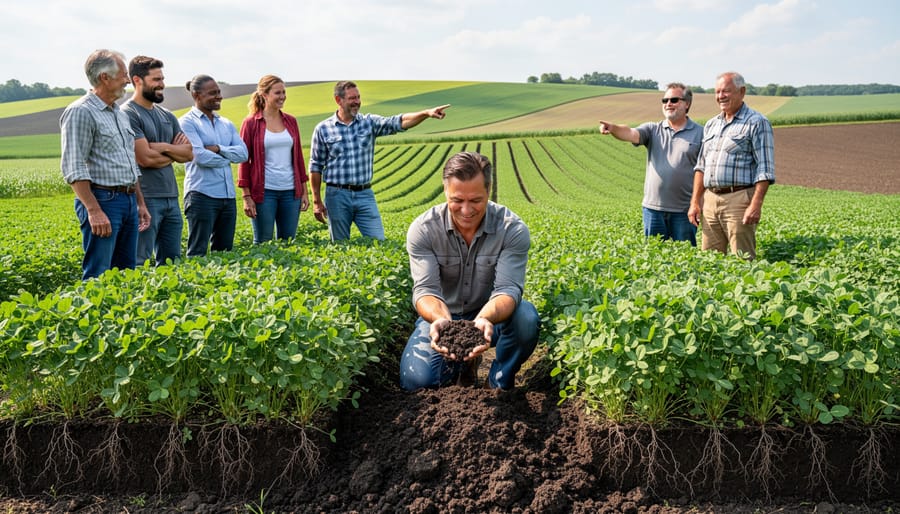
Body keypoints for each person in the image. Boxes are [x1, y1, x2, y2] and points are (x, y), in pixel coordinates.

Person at [400, 151, 540, 391]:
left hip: (493, 317)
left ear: (489, 191)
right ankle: (463, 364)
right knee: (417, 382)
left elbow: (507, 289)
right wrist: (442, 320)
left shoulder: (512, 229)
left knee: (526, 319)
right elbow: (425, 291)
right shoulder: (423, 230)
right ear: (445, 191)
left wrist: (483, 319)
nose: (466, 210)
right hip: (444, 316)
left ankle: (497, 381)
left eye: (476, 200)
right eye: (457, 200)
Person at [308, 81, 450, 241]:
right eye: (351, 98)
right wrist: (317, 201)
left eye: (358, 97)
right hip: (337, 195)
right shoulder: (323, 129)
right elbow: (315, 166)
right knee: (340, 244)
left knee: (378, 241)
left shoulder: (369, 122)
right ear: (338, 100)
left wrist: (426, 113)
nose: (357, 102)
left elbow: (399, 122)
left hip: (364, 194)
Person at [60, 49, 151, 280]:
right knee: (98, 275)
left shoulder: (119, 113)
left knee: (125, 274)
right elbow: (74, 166)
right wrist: (93, 210)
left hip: (128, 200)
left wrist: (139, 202)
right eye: (123, 74)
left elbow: (130, 163)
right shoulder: (81, 111)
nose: (128, 80)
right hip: (103, 200)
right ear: (104, 77)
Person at [599, 83, 702, 245]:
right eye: (665, 100)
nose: (668, 104)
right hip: (653, 210)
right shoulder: (653, 129)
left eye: (674, 100)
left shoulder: (700, 133)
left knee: (685, 259)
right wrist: (613, 128)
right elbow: (630, 133)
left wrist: (696, 204)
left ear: (687, 103)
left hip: (683, 212)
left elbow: (703, 171)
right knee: (653, 258)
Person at [688, 72, 776, 260]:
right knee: (709, 260)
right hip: (710, 200)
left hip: (739, 199)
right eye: (718, 92)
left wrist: (756, 204)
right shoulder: (712, 124)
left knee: (742, 259)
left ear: (742, 91)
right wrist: (695, 202)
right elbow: (701, 166)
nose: (721, 96)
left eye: (726, 91)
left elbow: (765, 168)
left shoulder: (757, 122)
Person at [122, 56, 193, 266]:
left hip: (171, 197)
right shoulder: (129, 113)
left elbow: (189, 154)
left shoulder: (167, 115)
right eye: (156, 79)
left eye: (162, 78)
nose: (162, 84)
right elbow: (144, 158)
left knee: (172, 261)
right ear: (137, 80)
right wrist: (173, 152)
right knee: (139, 260)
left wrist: (161, 147)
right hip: (147, 198)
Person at [178, 75, 248, 257]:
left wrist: (217, 148)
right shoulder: (187, 122)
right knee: (197, 252)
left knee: (224, 253)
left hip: (227, 196)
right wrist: (228, 157)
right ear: (197, 95)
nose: (219, 96)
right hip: (202, 195)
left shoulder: (226, 123)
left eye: (219, 92)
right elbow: (199, 156)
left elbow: (244, 154)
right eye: (213, 93)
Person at [238, 75, 309, 243]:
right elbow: (244, 161)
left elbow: (298, 158)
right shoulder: (251, 123)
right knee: (263, 241)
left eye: (284, 92)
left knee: (288, 241)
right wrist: (246, 197)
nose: (283, 96)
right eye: (278, 93)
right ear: (265, 95)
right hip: (264, 192)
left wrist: (304, 191)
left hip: (291, 192)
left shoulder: (291, 121)